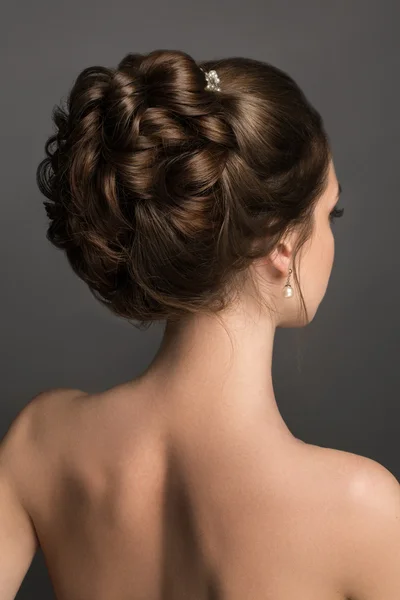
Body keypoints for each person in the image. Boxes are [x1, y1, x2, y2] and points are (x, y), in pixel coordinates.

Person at [1, 48, 399, 600]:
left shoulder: (39, 441)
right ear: (283, 246)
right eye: (328, 214)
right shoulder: (363, 510)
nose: (331, 236)